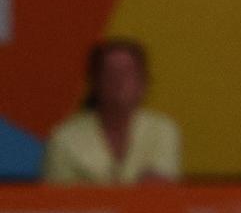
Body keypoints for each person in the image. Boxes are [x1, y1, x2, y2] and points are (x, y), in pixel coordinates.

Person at [43, 38, 181, 184]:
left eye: (127, 72)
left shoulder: (163, 130)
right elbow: (59, 201)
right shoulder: (64, 138)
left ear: (143, 81)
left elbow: (165, 191)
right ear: (95, 82)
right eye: (111, 72)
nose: (119, 81)